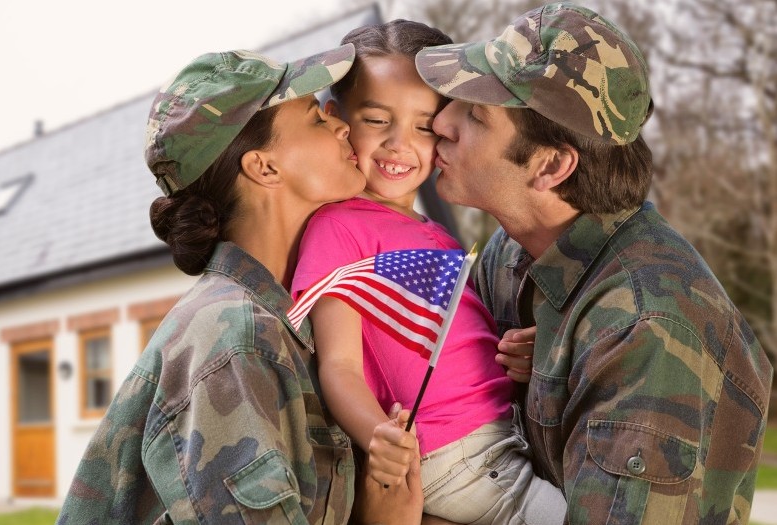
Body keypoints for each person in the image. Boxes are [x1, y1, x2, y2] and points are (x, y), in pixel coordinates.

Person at [413, 2, 774, 523]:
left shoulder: (648, 330)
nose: (440, 121)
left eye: (476, 115)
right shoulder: (512, 252)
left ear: (551, 165)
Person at [57, 44, 424, 525]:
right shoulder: (236, 338)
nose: (341, 126)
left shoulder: (290, 316)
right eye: (315, 119)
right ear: (264, 168)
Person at [291, 20, 564, 525]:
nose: (400, 144)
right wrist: (378, 435)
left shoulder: (427, 228)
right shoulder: (339, 227)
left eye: (422, 125)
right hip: (454, 454)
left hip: (499, 436)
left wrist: (510, 356)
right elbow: (340, 365)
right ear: (337, 118)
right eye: (376, 120)